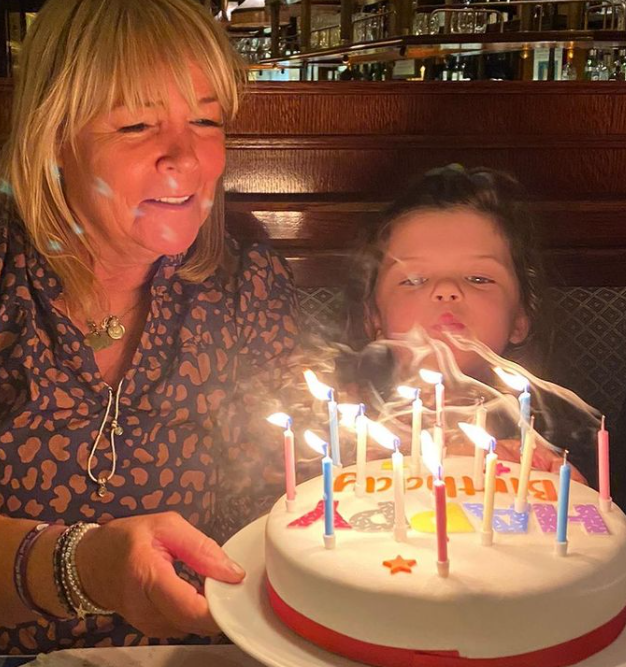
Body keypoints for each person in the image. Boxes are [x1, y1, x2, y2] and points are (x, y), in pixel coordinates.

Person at [0, 0, 298, 654]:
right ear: (54, 137)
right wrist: (84, 564)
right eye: (136, 123)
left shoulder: (245, 287)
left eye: (205, 119)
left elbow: (294, 490)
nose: (185, 158)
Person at [339, 164, 594, 482]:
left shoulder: (559, 441)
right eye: (415, 279)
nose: (447, 290)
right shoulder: (338, 429)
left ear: (520, 318)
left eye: (479, 278)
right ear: (372, 317)